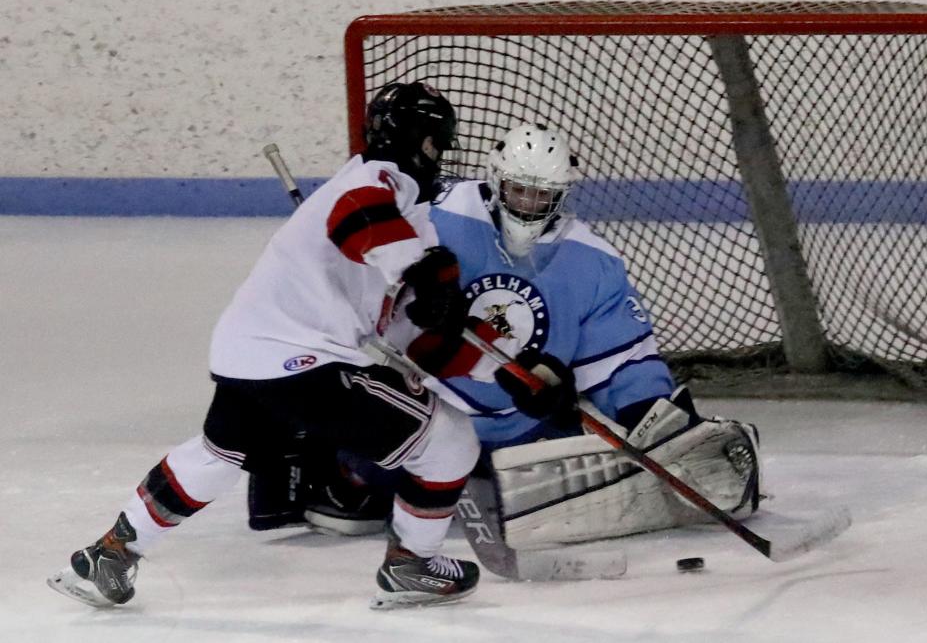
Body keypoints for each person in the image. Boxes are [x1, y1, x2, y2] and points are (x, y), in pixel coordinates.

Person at [47, 81, 485, 610]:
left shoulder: (407, 217)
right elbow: (359, 215)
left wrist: (512, 380)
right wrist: (421, 272)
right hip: (302, 361)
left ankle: (110, 554)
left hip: (246, 353)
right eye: (437, 143)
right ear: (423, 141)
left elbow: (408, 333)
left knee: (216, 456)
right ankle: (411, 564)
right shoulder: (376, 182)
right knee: (451, 440)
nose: (438, 157)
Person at [255, 123, 763, 550]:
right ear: (497, 182)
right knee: (360, 476)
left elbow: (622, 358)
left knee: (598, 463)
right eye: (520, 190)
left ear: (562, 195)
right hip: (426, 411)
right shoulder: (436, 216)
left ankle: (471, 476)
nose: (528, 204)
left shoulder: (593, 262)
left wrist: (656, 418)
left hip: (523, 430)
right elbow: (362, 275)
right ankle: (334, 466)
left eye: (542, 195)